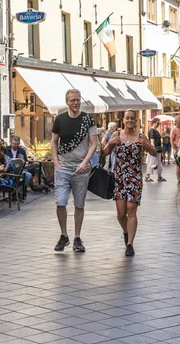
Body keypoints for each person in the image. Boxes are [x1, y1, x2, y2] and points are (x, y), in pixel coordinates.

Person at [52, 88, 101, 253]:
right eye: (72, 100)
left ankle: (77, 238)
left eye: (78, 100)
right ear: (67, 102)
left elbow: (94, 144)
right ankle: (64, 234)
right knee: (60, 202)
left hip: (82, 169)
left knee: (79, 205)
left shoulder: (88, 119)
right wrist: (56, 163)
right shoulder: (60, 119)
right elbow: (54, 142)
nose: (76, 103)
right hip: (63, 168)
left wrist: (85, 162)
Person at [103, 110, 158, 257]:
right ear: (123, 120)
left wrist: (145, 145)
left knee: (131, 210)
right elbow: (105, 152)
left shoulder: (140, 136)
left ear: (135, 121)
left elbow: (154, 153)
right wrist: (110, 143)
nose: (129, 120)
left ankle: (130, 244)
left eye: (132, 118)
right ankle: (126, 232)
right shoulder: (116, 135)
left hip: (134, 178)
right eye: (127, 118)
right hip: (120, 177)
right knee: (121, 214)